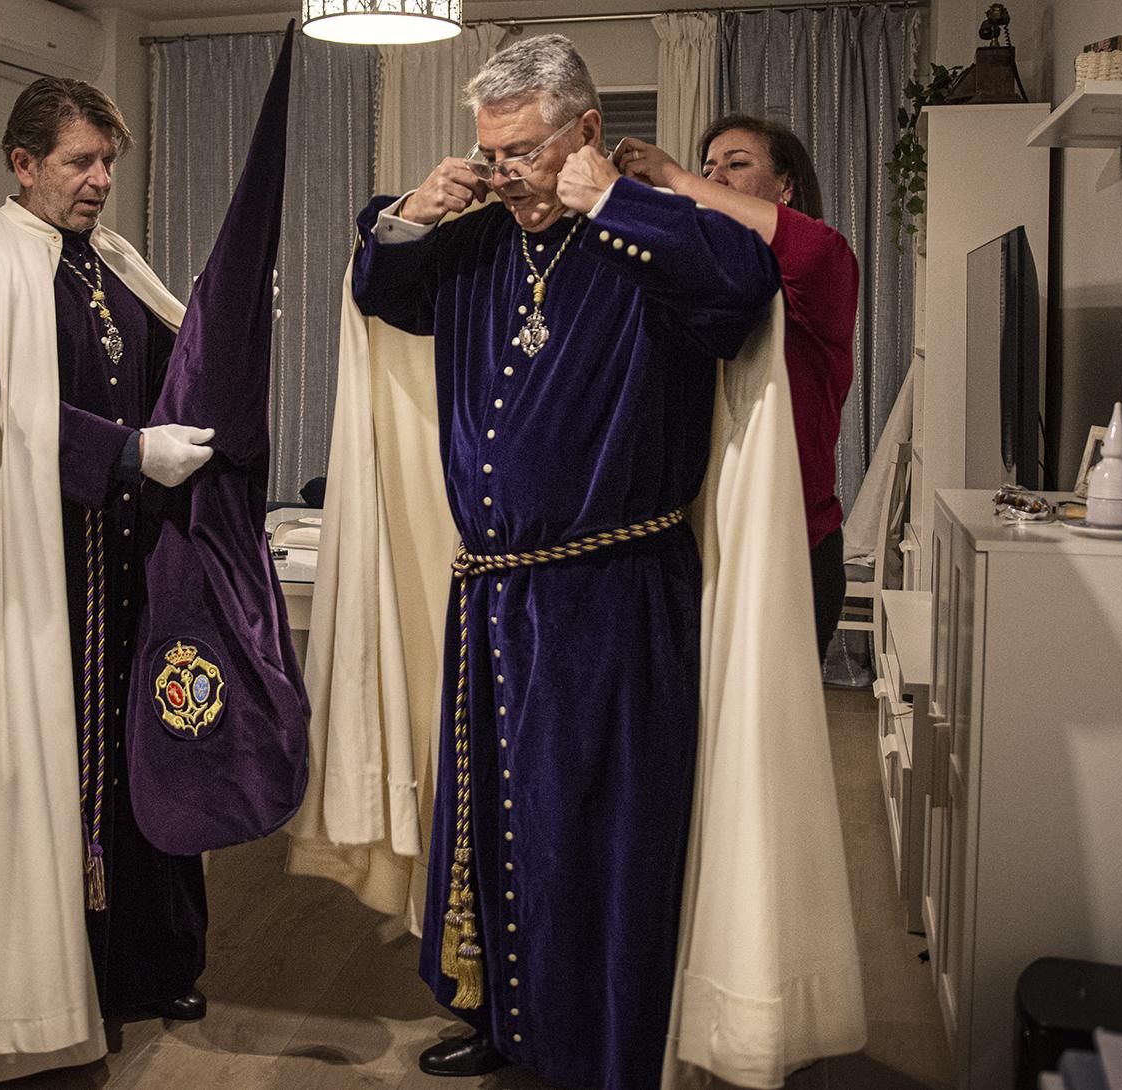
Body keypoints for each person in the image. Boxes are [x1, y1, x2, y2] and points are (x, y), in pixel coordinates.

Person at [350, 34, 783, 1089]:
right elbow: (378, 285)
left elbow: (743, 287)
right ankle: (508, 1018)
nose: (510, 176)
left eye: (527, 153)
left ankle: (603, 1051)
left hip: (613, 595)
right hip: (496, 596)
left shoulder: (656, 230)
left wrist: (609, 203)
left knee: (599, 838)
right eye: (490, 154)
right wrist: (413, 207)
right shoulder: (480, 238)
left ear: (585, 131)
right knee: (495, 822)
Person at [0, 77, 210, 1080]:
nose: (99, 181)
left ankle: (144, 960)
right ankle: (61, 980)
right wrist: (127, 453)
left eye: (106, 163)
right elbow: (1, 411)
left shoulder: (106, 258)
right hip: (39, 559)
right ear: (23, 161)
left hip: (129, 560)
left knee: (144, 757)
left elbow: (179, 355)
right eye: (80, 162)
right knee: (61, 767)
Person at [614, 115, 860, 658]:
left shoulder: (826, 263)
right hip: (704, 541)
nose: (716, 177)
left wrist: (678, 178)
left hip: (791, 544)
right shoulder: (700, 276)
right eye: (709, 167)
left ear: (786, 186)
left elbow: (810, 248)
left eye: (737, 164)